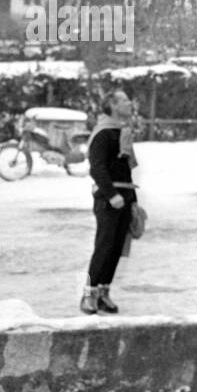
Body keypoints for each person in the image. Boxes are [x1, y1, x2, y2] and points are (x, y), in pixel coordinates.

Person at [81, 90, 138, 315]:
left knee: (116, 248)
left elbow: (125, 170)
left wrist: (132, 201)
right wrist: (112, 194)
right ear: (113, 106)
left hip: (124, 196)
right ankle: (88, 293)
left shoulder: (122, 131)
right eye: (124, 100)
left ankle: (104, 291)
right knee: (104, 246)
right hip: (108, 198)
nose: (129, 103)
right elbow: (97, 168)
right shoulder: (103, 133)